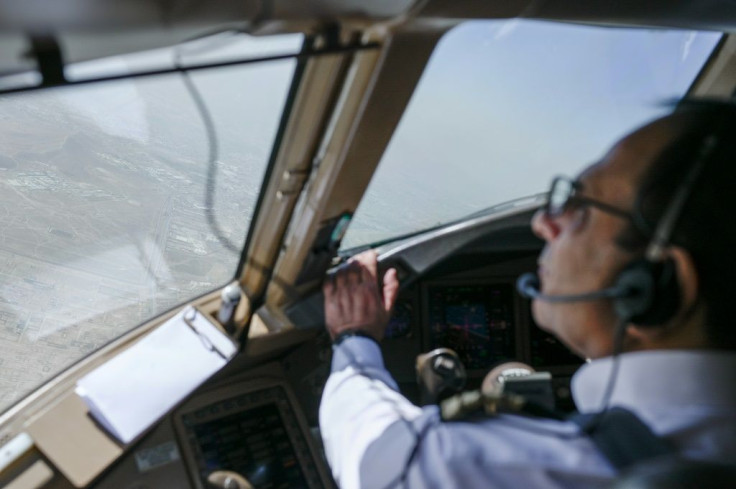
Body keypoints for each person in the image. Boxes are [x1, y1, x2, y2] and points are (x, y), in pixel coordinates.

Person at [319, 101, 736, 489]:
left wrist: (355, 338)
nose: (543, 225)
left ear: (657, 283)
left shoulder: (538, 469)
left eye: (582, 209)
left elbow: (376, 458)